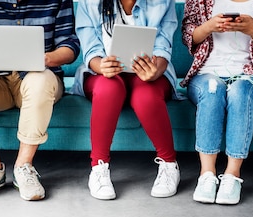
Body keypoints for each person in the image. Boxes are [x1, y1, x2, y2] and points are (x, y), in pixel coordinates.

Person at [0, 0, 81, 201]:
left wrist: (44, 58)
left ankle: (24, 167)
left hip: (37, 79)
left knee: (42, 79)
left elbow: (70, 46)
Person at [181, 0, 253, 205]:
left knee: (240, 91)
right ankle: (207, 174)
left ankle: (232, 174)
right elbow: (188, 37)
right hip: (207, 73)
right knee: (213, 90)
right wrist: (208, 27)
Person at [72, 0, 181, 200]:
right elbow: (90, 49)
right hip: (104, 75)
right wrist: (101, 66)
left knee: (145, 95)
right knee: (108, 88)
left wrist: (154, 71)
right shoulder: (90, 3)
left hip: (149, 74)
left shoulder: (163, 2)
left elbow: (164, 47)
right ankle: (99, 167)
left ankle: (169, 164)